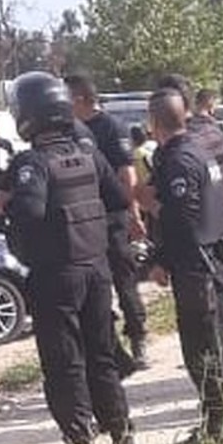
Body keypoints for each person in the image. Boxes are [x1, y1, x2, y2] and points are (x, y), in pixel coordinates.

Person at [0, 71, 137, 444]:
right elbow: (117, 198)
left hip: (57, 276)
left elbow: (30, 212)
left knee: (65, 366)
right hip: (96, 269)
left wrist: (4, 208)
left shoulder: (32, 162)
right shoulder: (88, 153)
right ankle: (124, 443)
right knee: (102, 358)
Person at [141, 88, 223, 444]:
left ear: (154, 122)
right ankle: (222, 418)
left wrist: (161, 259)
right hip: (214, 258)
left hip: (197, 267)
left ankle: (216, 427)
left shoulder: (179, 160)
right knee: (214, 343)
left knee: (201, 349)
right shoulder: (200, 149)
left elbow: (181, 221)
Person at [156, 74, 223, 379]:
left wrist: (163, 257)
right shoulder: (216, 133)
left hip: (197, 255)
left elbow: (180, 216)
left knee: (202, 338)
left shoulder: (177, 152)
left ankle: (220, 412)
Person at [65, 74, 150, 372]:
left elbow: (128, 176)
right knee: (96, 287)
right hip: (85, 219)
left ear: (78, 99)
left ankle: (138, 338)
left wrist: (133, 214)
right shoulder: (69, 131)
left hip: (113, 216)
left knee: (124, 279)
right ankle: (111, 348)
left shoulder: (111, 127)